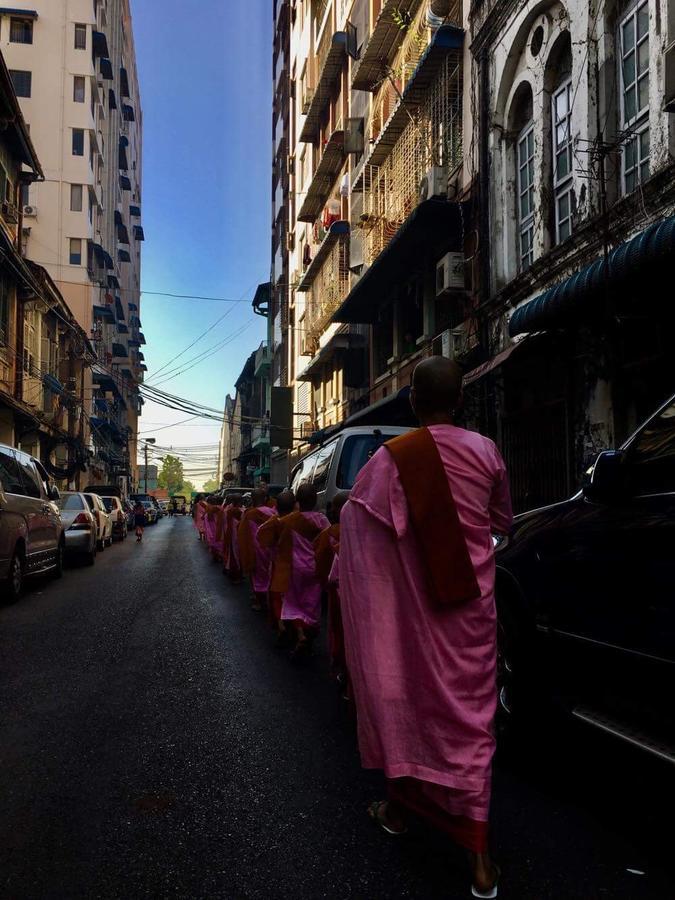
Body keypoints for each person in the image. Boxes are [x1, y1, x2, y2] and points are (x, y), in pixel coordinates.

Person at [339, 357, 512, 899]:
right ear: (459, 401)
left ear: (413, 402)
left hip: (418, 617)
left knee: (410, 703)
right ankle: (479, 862)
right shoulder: (487, 452)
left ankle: (398, 809)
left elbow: (357, 526)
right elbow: (500, 525)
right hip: (471, 616)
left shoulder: (390, 461)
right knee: (470, 724)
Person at [259, 483, 329, 659]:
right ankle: (309, 632)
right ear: (315, 500)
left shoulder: (287, 521)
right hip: (315, 568)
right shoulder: (322, 520)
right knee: (312, 602)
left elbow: (264, 535)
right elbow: (329, 542)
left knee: (294, 603)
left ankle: (300, 634)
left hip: (294, 569)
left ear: (298, 501)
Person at [314, 491, 350, 687]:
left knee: (341, 633)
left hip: (339, 595)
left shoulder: (330, 533)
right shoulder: (366, 535)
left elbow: (330, 574)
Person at [258, 490, 296, 642]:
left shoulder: (274, 523)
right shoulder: (302, 520)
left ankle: (281, 626)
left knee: (277, 597)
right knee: (298, 598)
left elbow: (261, 538)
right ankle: (299, 630)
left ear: (276, 507)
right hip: (301, 566)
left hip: (279, 566)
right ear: (294, 506)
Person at [238, 487, 277, 610]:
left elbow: (242, 534)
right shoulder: (273, 513)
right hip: (271, 549)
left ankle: (259, 602)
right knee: (270, 574)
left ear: (252, 499)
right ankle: (270, 599)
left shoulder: (248, 514)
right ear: (265, 499)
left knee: (257, 577)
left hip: (255, 550)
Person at [222, 494, 244, 582]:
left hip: (231, 535)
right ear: (239, 502)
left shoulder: (228, 510)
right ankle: (237, 576)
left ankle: (234, 574)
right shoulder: (239, 511)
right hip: (238, 536)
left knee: (233, 555)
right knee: (238, 556)